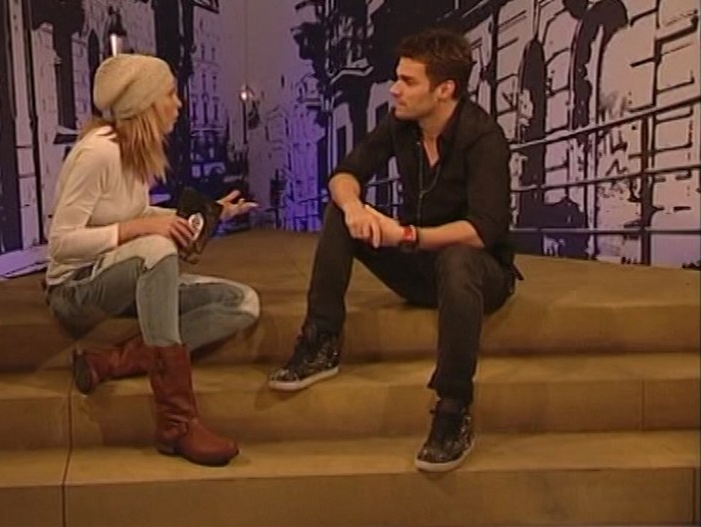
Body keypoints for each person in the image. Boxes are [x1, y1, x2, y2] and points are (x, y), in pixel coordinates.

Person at [267, 28, 520, 472]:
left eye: (407, 81)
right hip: (419, 264)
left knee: (459, 259)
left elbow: (484, 230)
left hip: (480, 274)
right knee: (340, 211)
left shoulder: (484, 137)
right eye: (396, 78)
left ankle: (453, 407)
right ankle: (321, 340)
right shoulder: (401, 123)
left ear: (445, 90)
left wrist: (406, 235)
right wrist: (354, 209)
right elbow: (345, 174)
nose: (394, 89)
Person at [44, 53, 259, 467]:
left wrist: (212, 212)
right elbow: (61, 244)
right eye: (170, 94)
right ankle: (176, 422)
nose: (178, 103)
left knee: (243, 302)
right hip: (73, 292)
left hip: (122, 277)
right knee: (158, 248)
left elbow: (136, 214)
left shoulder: (134, 151)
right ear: (144, 103)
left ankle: (107, 361)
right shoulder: (99, 152)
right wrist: (142, 229)